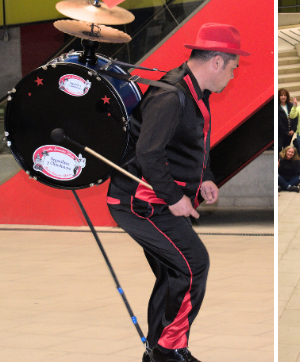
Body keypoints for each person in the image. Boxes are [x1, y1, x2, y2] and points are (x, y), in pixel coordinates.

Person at [105, 23, 247, 362]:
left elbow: (192, 144)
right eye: (233, 67)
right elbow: (149, 153)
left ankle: (159, 351)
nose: (233, 75)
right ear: (216, 62)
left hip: (152, 199)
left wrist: (206, 178)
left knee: (174, 273)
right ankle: (168, 351)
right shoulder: (171, 95)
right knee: (193, 265)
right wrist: (175, 198)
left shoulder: (193, 89)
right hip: (138, 202)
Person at [278, 88, 297, 152]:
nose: (283, 97)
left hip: (290, 132)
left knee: (287, 148)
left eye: (285, 95)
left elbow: (295, 118)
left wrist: (293, 130)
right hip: (280, 132)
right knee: (279, 147)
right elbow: (278, 122)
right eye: (281, 95)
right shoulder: (277, 107)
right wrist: (286, 131)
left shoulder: (291, 105)